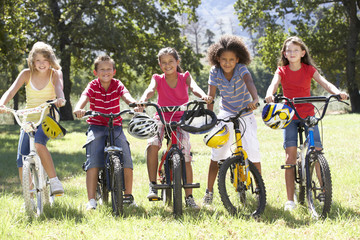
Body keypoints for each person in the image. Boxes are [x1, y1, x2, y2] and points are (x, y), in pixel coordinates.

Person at [264, 36, 348, 211]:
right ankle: (290, 200)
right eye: (289, 50)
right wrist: (270, 95)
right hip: (289, 116)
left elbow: (325, 83)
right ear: (285, 54)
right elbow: (273, 85)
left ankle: (324, 191)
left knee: (316, 151)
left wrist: (337, 92)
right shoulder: (282, 70)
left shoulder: (309, 69)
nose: (292, 53)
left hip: (309, 114)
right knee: (290, 157)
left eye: (296, 50)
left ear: (303, 53)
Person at [138, 47, 213, 209]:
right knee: (152, 145)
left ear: (177, 62)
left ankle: (189, 197)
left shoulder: (184, 76)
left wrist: (203, 96)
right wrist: (143, 99)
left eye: (171, 61)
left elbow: (194, 87)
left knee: (185, 155)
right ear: (160, 65)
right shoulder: (158, 78)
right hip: (161, 117)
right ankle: (153, 185)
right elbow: (150, 90)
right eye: (163, 63)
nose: (167, 65)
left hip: (180, 118)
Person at [0, 41, 65, 195]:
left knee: (39, 143)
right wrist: (2, 104)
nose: (42, 64)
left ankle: (54, 181)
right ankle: (28, 196)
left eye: (45, 60)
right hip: (29, 119)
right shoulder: (26, 74)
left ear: (50, 61)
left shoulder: (54, 74)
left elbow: (59, 90)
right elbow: (10, 91)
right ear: (32, 61)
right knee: (21, 158)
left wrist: (60, 99)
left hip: (47, 117)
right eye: (38, 61)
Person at [73, 55, 138, 210]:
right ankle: (91, 200)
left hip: (115, 125)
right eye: (102, 69)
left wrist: (134, 104)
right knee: (93, 159)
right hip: (96, 125)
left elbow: (126, 96)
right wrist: (79, 108)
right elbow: (84, 97)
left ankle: (128, 196)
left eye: (109, 69)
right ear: (96, 72)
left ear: (114, 71)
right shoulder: (93, 85)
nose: (106, 72)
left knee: (127, 157)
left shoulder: (117, 84)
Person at [203, 35, 261, 206]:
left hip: (245, 112)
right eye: (223, 60)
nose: (227, 63)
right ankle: (209, 191)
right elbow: (211, 97)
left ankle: (259, 190)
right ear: (217, 59)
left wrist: (255, 98)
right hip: (226, 112)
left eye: (231, 60)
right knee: (218, 153)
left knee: (253, 152)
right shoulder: (215, 72)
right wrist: (210, 118)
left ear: (238, 59)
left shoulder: (242, 69)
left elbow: (249, 81)